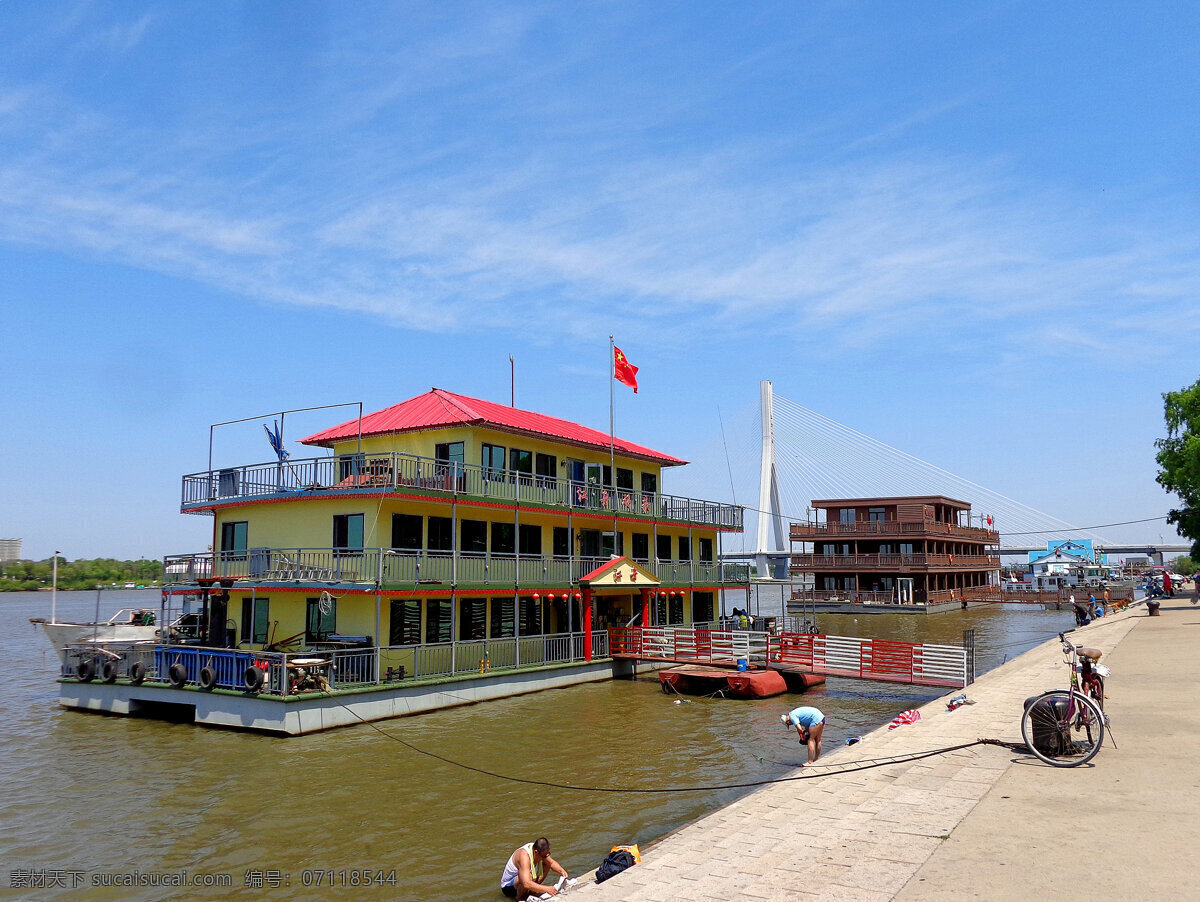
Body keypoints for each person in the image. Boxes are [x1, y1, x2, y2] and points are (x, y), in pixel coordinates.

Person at [500, 837, 568, 900]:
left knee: (547, 864)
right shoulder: (524, 856)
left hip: (523, 881)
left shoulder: (538, 849)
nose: (545, 857)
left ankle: (533, 891)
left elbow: (551, 863)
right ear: (536, 852)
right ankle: (519, 899)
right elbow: (526, 883)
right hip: (508, 887)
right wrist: (547, 889)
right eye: (543, 856)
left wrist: (562, 871)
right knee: (529, 876)